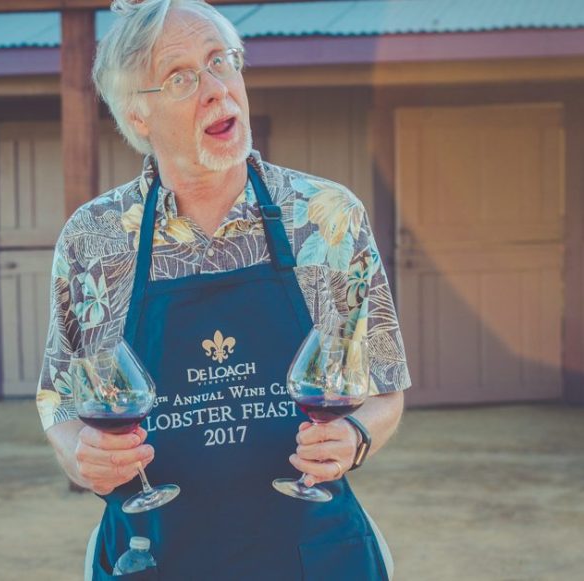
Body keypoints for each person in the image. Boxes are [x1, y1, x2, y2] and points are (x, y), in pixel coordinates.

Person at [36, 0, 411, 578]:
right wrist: (82, 457)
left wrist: (356, 436)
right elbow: (61, 406)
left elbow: (385, 388)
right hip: (154, 555)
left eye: (221, 61)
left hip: (313, 555)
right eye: (180, 77)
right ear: (138, 115)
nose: (216, 89)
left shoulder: (327, 217)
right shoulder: (94, 239)